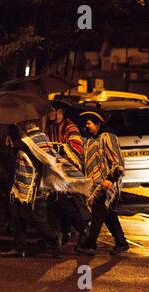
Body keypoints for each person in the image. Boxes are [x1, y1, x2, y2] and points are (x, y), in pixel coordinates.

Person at [0, 120, 91, 258]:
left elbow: (23, 147)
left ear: (26, 125)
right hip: (21, 185)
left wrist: (12, 144)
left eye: (20, 125)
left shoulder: (31, 140)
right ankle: (20, 247)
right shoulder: (39, 138)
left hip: (32, 186)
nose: (19, 127)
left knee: (35, 218)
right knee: (18, 217)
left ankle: (54, 238)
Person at [75, 110, 129, 256]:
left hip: (106, 184)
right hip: (94, 184)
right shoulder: (89, 140)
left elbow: (118, 162)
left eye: (89, 123)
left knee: (98, 214)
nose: (86, 126)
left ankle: (90, 244)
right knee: (108, 214)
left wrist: (110, 180)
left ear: (98, 123)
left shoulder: (108, 137)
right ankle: (122, 243)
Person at [45, 101, 90, 246]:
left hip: (69, 171)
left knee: (65, 203)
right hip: (56, 172)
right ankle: (64, 233)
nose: (50, 113)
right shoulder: (50, 127)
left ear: (60, 112)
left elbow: (76, 148)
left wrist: (59, 148)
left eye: (52, 111)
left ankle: (83, 229)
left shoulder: (70, 127)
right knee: (56, 203)